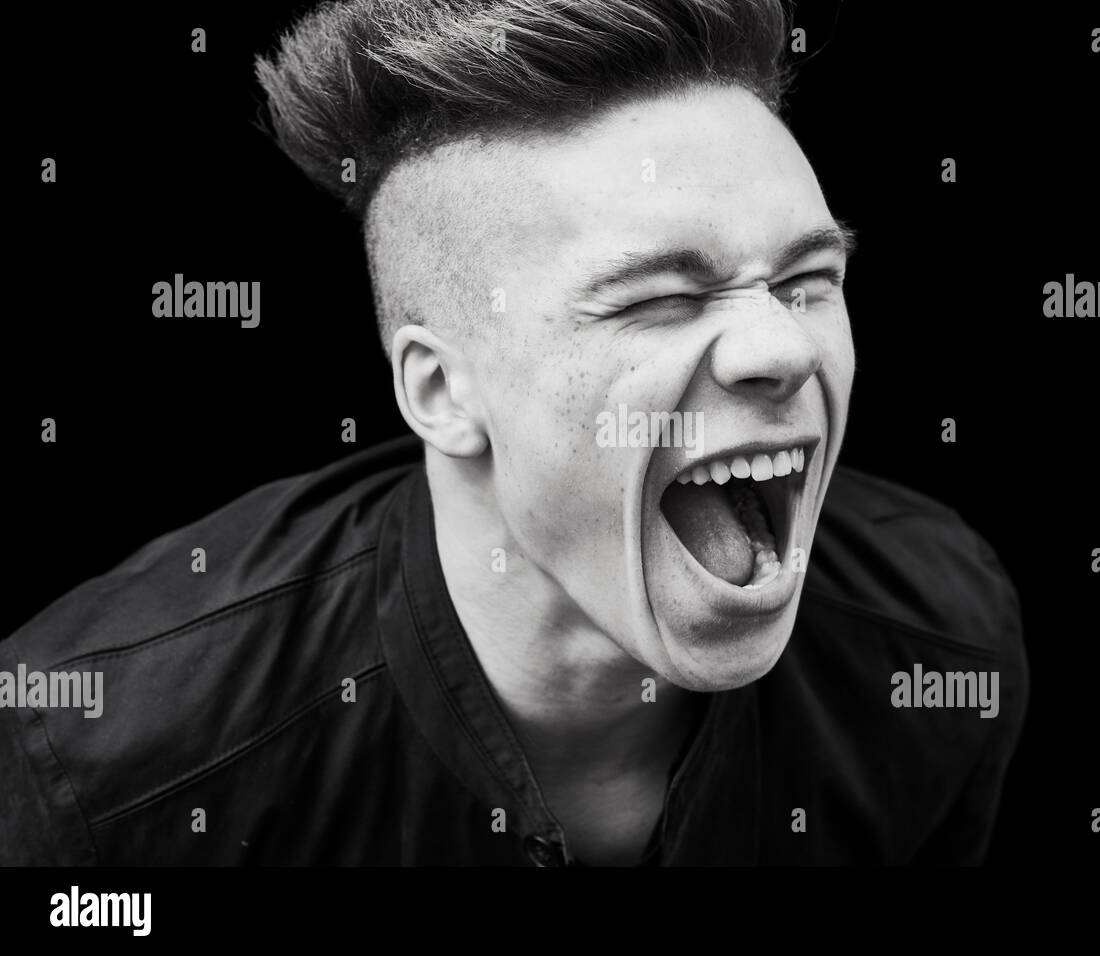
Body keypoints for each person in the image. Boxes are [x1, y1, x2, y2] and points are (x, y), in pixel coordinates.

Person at [0, 0, 1026, 866]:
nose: (783, 350)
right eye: (657, 299)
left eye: (806, 281)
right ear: (442, 390)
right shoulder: (106, 764)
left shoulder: (939, 634)